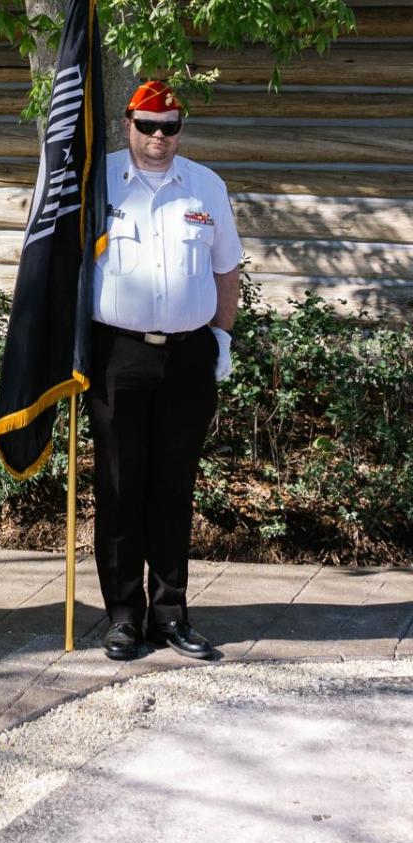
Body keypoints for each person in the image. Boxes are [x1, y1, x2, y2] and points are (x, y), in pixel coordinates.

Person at [89, 79, 242, 662]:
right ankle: (125, 616)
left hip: (186, 356)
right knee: (121, 484)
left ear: (181, 128)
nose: (159, 137)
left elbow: (226, 268)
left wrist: (222, 337)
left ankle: (171, 612)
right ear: (127, 123)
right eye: (148, 125)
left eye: (170, 126)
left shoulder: (206, 186)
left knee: (174, 486)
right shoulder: (95, 180)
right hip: (117, 355)